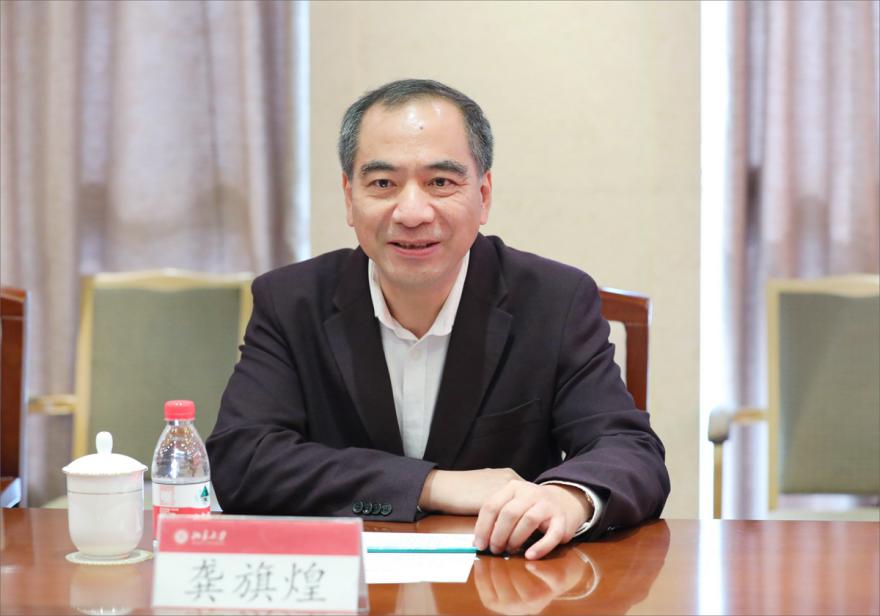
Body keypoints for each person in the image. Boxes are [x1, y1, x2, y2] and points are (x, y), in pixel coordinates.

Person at [206, 78, 670, 560]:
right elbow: (243, 460)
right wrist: (433, 485)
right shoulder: (291, 301)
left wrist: (567, 498)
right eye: (383, 184)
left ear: (483, 195)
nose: (412, 212)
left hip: (507, 581)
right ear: (349, 197)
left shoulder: (554, 300)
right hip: (350, 580)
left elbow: (628, 448)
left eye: (441, 183)